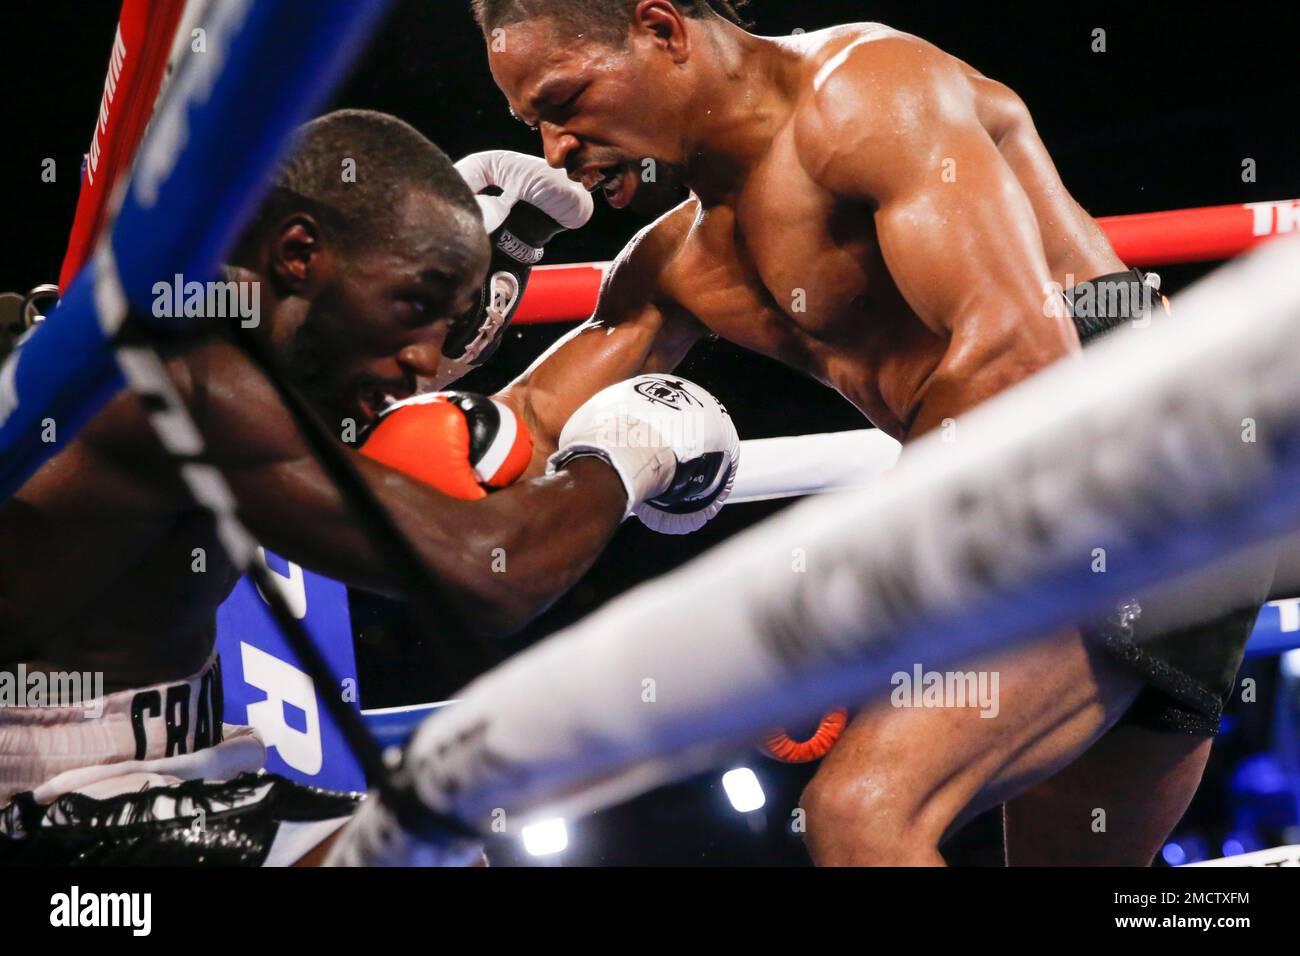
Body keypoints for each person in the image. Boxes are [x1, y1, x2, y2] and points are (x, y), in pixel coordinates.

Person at [470, 0, 1276, 864]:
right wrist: (439, 311)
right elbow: (515, 436)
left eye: (562, 101)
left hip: (1141, 449)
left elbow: (1014, 355)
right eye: (533, 126)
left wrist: (848, 602)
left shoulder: (868, 92)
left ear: (661, 30)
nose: (556, 149)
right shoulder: (677, 262)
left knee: (861, 815)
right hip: (1038, 507)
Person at [0, 108, 739, 865]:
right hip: (48, 799)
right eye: (414, 306)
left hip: (149, 757)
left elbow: (471, 418)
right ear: (299, 253)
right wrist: (625, 456)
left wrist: (495, 257)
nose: (427, 360)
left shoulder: (218, 328)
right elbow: (491, 574)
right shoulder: (189, 379)